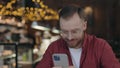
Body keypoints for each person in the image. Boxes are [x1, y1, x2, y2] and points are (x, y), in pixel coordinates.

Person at [36, 5, 120, 68]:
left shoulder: (100, 46)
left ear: (84, 25)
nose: (69, 37)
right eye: (64, 32)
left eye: (74, 31)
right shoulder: (54, 48)